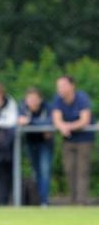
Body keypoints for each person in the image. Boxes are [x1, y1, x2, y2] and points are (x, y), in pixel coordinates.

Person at [52, 75, 94, 205]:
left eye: (63, 85)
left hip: (84, 139)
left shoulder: (81, 98)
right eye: (58, 86)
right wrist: (62, 126)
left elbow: (85, 119)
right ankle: (73, 200)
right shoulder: (58, 100)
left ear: (72, 86)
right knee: (69, 169)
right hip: (68, 139)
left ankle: (81, 201)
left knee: (82, 170)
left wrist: (69, 126)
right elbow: (56, 118)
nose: (60, 89)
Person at [18, 87, 54, 206]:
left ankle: (44, 201)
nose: (32, 101)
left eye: (34, 99)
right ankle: (38, 200)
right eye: (30, 99)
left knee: (45, 171)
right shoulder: (22, 107)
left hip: (45, 143)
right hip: (30, 143)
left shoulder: (47, 108)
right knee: (36, 172)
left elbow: (50, 122)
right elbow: (18, 120)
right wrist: (36, 123)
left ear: (40, 99)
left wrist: (30, 121)